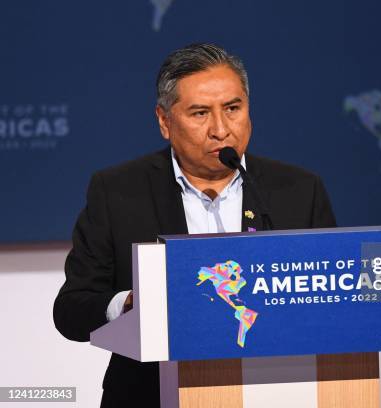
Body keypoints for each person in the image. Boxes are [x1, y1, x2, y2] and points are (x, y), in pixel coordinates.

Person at [53, 43, 337, 407]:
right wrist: (128, 305)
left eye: (233, 109)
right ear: (164, 121)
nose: (221, 129)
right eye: (200, 113)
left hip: (275, 392)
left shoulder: (298, 190)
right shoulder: (118, 192)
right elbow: (72, 310)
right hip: (150, 394)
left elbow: (330, 298)